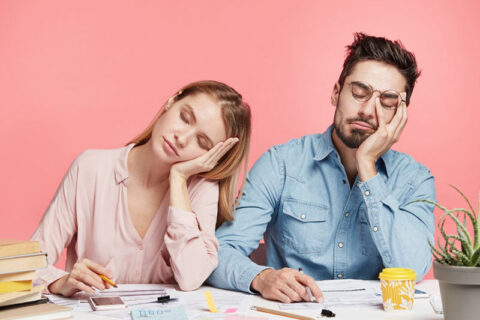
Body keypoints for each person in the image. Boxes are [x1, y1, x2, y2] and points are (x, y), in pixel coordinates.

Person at [208, 33, 436, 303]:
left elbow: (412, 269)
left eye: (387, 101)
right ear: (336, 92)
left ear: (401, 114)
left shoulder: (415, 180)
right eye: (359, 92)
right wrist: (261, 278)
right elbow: (219, 252)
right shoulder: (280, 164)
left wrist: (368, 167)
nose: (368, 110)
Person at [31, 80, 251, 296]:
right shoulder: (90, 169)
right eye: (185, 117)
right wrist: (58, 282)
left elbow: (192, 277)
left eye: (202, 142)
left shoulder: (201, 190)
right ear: (172, 101)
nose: (181, 138)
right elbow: (26, 266)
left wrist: (179, 178)